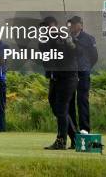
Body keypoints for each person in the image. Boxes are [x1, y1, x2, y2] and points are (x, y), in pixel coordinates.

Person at [40, 16, 79, 150]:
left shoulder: (64, 38)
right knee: (54, 105)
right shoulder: (45, 40)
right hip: (55, 78)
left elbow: (75, 53)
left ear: (55, 25)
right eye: (44, 27)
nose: (45, 28)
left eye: (48, 25)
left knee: (61, 108)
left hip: (68, 77)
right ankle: (76, 139)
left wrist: (70, 43)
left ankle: (61, 141)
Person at [67, 16, 97, 137]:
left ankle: (85, 128)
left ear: (81, 25)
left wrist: (86, 68)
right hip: (70, 73)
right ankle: (73, 129)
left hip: (83, 72)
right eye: (71, 24)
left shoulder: (88, 38)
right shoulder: (67, 38)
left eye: (75, 24)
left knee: (82, 100)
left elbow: (94, 56)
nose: (73, 26)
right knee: (70, 102)